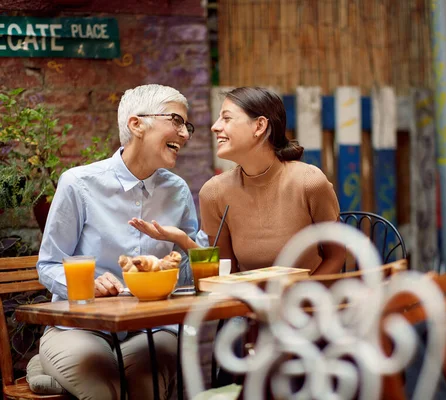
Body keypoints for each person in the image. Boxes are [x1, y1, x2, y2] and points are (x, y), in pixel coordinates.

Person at [36, 84, 209, 400]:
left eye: (187, 125)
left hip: (151, 328)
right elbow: (48, 264)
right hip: (80, 327)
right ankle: (52, 361)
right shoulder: (79, 184)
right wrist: (87, 283)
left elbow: (188, 283)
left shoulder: (178, 191)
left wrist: (184, 244)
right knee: (104, 390)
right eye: (176, 120)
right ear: (136, 124)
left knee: (147, 385)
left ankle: (55, 372)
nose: (185, 134)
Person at [130, 86, 345, 275]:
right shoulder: (214, 192)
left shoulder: (309, 182)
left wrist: (303, 299)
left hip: (310, 310)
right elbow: (225, 271)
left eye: (226, 118)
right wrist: (182, 240)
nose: (215, 127)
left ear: (259, 126)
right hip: (249, 312)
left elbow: (336, 256)